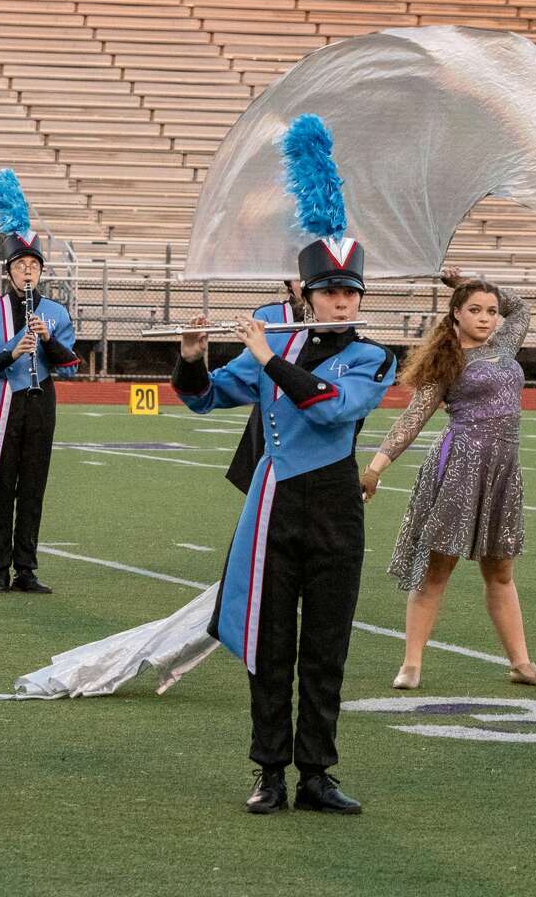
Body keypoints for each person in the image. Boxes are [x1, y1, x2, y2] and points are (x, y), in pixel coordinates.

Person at [173, 114, 396, 815]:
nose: (341, 302)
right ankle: (268, 770)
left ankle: (317, 774)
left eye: (350, 293)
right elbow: (206, 399)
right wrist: (191, 358)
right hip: (272, 506)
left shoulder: (373, 356)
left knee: (325, 648)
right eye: (329, 292)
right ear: (305, 293)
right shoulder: (280, 345)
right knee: (270, 646)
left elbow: (329, 408)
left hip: (334, 506)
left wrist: (268, 355)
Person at [360, 267, 536, 690]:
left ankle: (521, 664)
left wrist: (466, 282)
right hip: (459, 467)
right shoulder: (447, 361)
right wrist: (375, 468)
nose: (486, 318)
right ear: (456, 314)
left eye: (490, 311)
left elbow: (521, 308)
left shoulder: (505, 344)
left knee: (500, 571)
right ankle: (411, 665)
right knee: (437, 569)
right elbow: (412, 418)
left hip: (503, 470)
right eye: (474, 310)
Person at [0, 170, 79, 594]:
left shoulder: (55, 313)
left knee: (33, 487)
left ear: (41, 271)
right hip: (3, 402)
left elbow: (71, 365)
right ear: (9, 271)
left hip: (42, 402)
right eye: (21, 266)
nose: (28, 271)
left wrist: (48, 341)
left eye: (33, 265)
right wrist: (12, 351)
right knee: (3, 486)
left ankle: (26, 569)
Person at [225, 280, 307, 494]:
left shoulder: (336, 318)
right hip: (275, 410)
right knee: (265, 488)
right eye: (299, 277)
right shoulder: (271, 314)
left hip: (313, 411)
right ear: (289, 282)